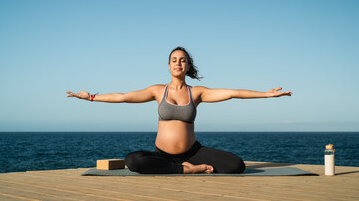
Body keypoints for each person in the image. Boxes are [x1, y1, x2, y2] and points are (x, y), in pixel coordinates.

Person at [66, 46, 292, 174]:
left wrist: (266, 94)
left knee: (237, 165)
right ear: (168, 65)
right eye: (174, 60)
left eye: (182, 60)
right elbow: (124, 97)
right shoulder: (157, 91)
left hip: (192, 151)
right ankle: (186, 170)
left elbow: (232, 92)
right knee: (133, 160)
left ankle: (183, 165)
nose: (178, 63)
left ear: (187, 66)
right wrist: (91, 97)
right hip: (162, 154)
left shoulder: (197, 93)